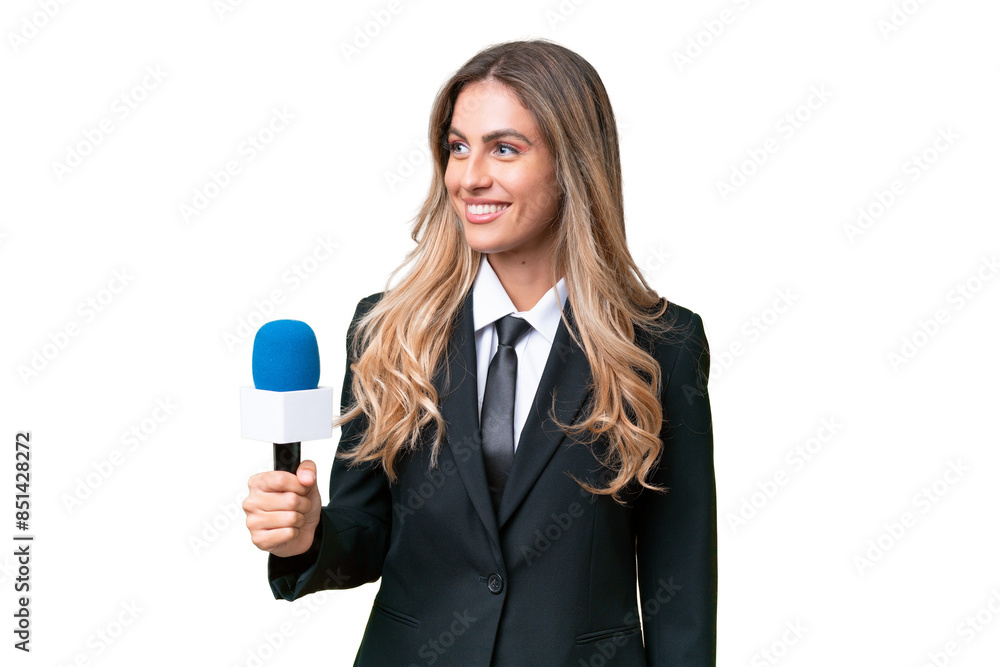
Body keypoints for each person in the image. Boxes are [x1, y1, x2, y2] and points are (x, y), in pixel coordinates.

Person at [243, 38, 717, 666]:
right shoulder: (388, 331)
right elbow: (367, 532)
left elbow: (678, 588)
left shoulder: (661, 347)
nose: (470, 176)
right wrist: (306, 534)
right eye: (458, 147)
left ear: (573, 164)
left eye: (504, 149)